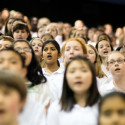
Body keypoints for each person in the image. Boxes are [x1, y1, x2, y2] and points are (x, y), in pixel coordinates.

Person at [46, 56, 100, 125]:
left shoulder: (103, 105)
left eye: (83, 70)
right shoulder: (56, 108)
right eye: (72, 71)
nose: (77, 75)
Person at [0, 48, 47, 125]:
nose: (6, 66)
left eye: (13, 62)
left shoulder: (36, 109)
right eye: (0, 61)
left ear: (23, 71)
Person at [11, 39, 51, 107]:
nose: (22, 52)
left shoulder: (41, 81)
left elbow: (45, 107)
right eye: (17, 49)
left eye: (26, 49)